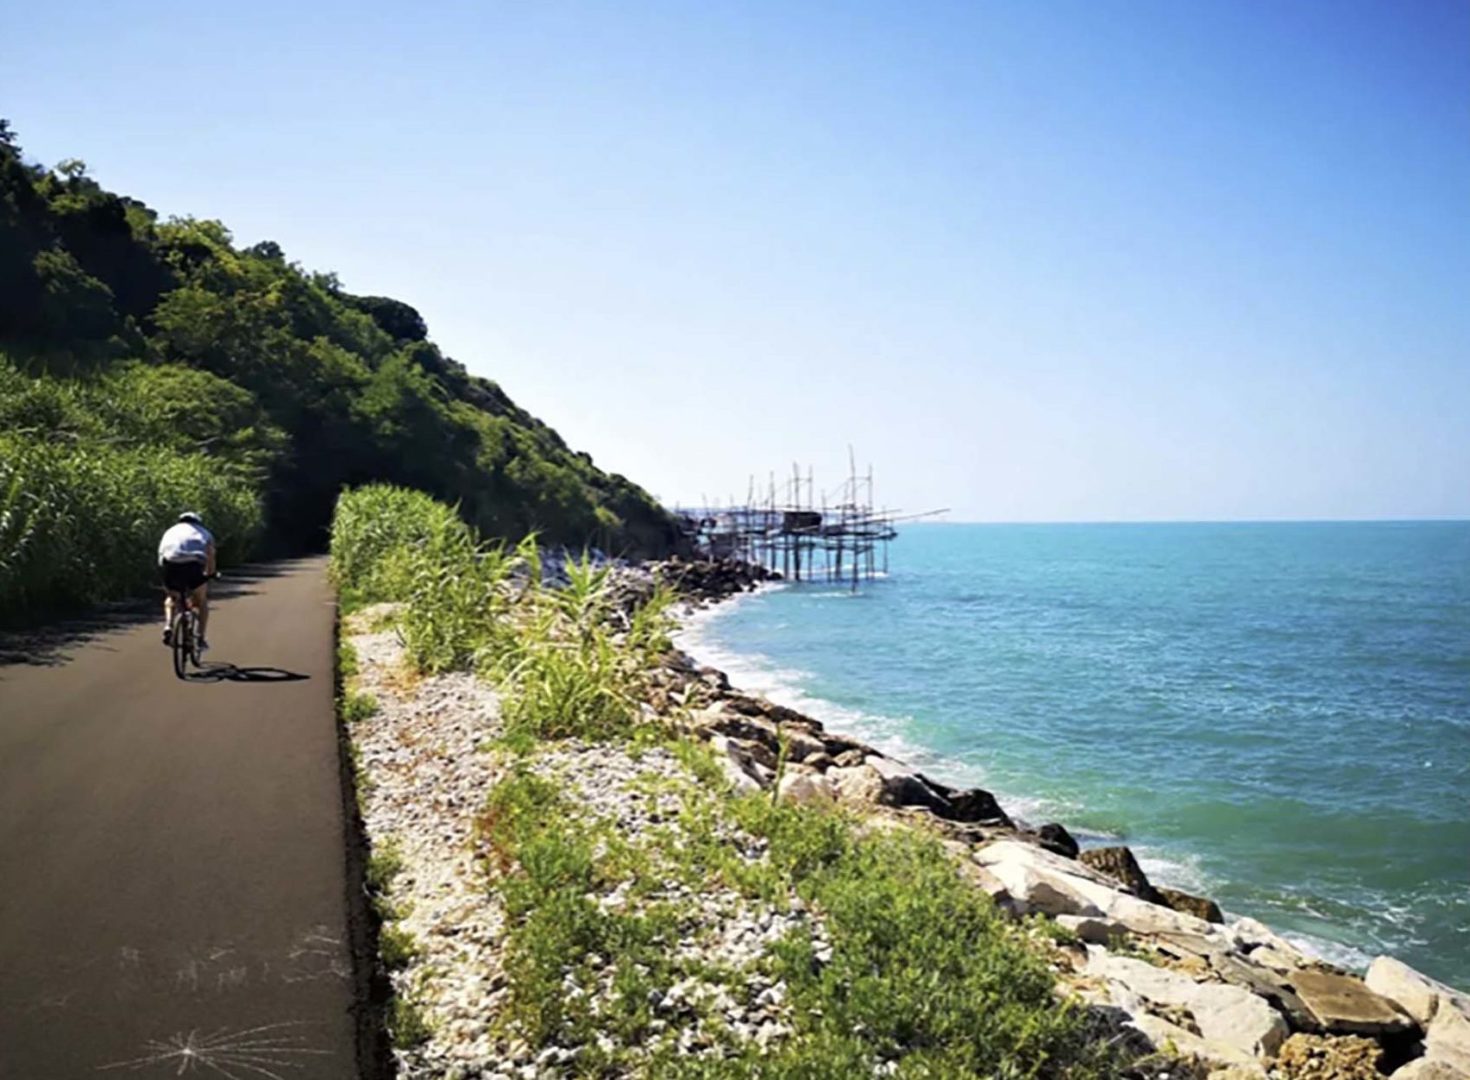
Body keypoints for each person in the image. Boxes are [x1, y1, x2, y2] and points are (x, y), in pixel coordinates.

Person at [158, 511, 217, 653]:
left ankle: (169, 625)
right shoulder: (205, 533)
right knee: (201, 601)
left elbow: (161, 555)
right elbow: (210, 554)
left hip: (171, 565)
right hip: (193, 566)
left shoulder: (170, 531)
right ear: (198, 522)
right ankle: (201, 639)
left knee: (172, 597)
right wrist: (211, 573)